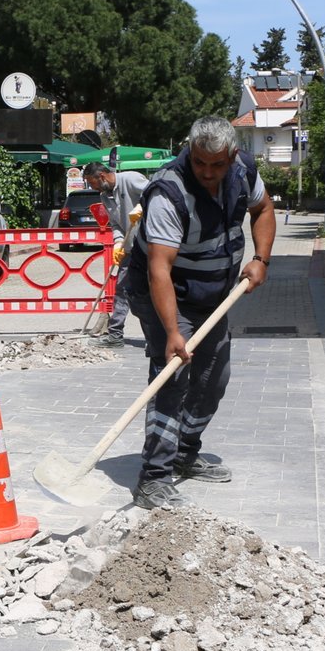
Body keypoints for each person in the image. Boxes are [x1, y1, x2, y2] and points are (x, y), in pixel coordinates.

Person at [118, 116, 274, 510]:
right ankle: (153, 479)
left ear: (232, 155)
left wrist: (261, 259)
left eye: (216, 164)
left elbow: (264, 208)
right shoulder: (168, 192)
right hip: (165, 294)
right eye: (199, 162)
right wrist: (172, 332)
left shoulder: (244, 170)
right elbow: (159, 270)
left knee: (213, 377)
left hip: (213, 295)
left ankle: (185, 453)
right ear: (190, 151)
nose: (207, 172)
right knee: (172, 376)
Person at [82, 161, 150, 347]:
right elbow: (116, 224)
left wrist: (142, 207)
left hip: (152, 247)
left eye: (92, 183)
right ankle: (115, 335)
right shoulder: (105, 196)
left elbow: (156, 192)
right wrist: (119, 243)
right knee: (121, 289)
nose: (93, 188)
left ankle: (158, 335)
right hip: (130, 249)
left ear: (101, 176)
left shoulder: (130, 179)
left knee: (150, 292)